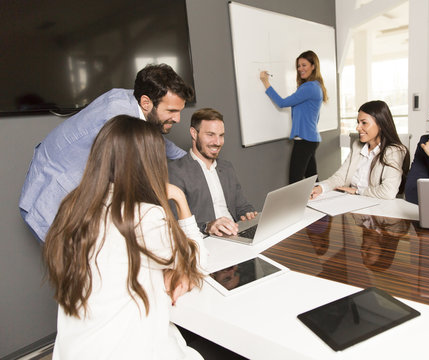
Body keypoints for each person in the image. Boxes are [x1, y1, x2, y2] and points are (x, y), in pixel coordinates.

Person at [43, 115, 207, 359]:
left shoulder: (72, 210)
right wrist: (179, 199)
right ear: (149, 164)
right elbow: (199, 261)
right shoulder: (145, 216)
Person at [20, 63, 194, 242]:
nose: (177, 118)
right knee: (81, 267)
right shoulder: (118, 118)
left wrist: (191, 159)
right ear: (146, 102)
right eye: (172, 111)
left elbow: (155, 136)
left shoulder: (134, 100)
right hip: (50, 199)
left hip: (67, 187)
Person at [168, 108, 257, 236]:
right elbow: (175, 222)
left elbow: (242, 206)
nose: (217, 142)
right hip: (205, 241)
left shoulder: (227, 168)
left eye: (221, 136)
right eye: (210, 135)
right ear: (194, 133)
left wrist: (248, 213)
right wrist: (207, 226)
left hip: (235, 234)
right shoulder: (176, 171)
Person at [310, 100, 410, 200]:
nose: (358, 127)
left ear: (380, 125)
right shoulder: (357, 145)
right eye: (358, 122)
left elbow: (388, 192)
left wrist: (358, 191)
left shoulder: (394, 151)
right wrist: (320, 188)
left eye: (364, 123)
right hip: (352, 202)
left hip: (376, 207)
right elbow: (340, 177)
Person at [260, 50, 328, 184]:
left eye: (304, 65)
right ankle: (322, 203)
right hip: (309, 138)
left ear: (313, 66)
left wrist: (265, 82)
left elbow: (282, 103)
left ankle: (301, 205)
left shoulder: (309, 87)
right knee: (312, 180)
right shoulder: (314, 86)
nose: (300, 69)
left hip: (305, 140)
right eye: (298, 66)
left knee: (294, 182)